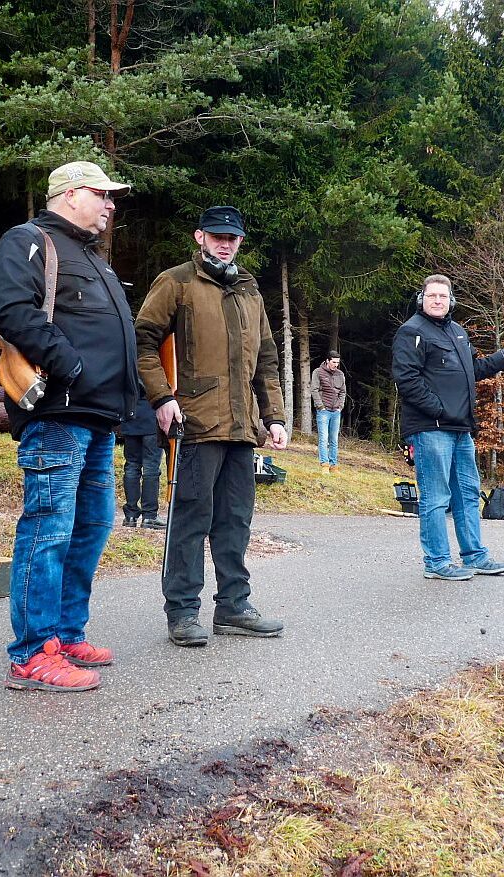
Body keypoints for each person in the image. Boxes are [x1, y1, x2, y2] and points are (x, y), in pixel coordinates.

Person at [0, 160, 139, 692]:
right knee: (48, 528)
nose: (110, 204)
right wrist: (69, 364)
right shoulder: (29, 240)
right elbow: (11, 310)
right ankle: (32, 653)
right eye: (102, 194)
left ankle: (66, 635)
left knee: (92, 526)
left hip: (97, 417)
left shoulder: (91, 256)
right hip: (57, 414)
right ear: (70, 194)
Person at [135, 205, 288, 647]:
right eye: (217, 235)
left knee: (235, 520)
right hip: (194, 423)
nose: (225, 243)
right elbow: (143, 341)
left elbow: (267, 361)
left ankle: (233, 606)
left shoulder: (250, 291)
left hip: (242, 429)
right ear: (199, 236)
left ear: (240, 241)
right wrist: (161, 398)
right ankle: (182, 611)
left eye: (232, 237)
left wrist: (274, 417)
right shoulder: (177, 282)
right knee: (190, 520)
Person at [391, 274, 504, 581]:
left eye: (443, 296)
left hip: (461, 429)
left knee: (467, 494)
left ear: (451, 301)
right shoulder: (411, 332)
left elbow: (473, 370)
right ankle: (436, 562)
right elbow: (406, 380)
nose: (437, 300)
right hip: (430, 428)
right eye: (432, 295)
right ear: (422, 299)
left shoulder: (457, 332)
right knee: (436, 497)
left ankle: (474, 556)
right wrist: (439, 409)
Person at [121, 395, 166, 529]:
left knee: (131, 466)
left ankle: (130, 515)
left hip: (131, 416)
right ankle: (149, 516)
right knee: (151, 468)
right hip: (151, 418)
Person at [311, 351, 346, 474]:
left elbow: (343, 392)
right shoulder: (318, 372)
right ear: (327, 361)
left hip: (336, 411)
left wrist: (340, 406)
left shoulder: (340, 374)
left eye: (337, 362)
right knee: (323, 438)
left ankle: (334, 466)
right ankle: (324, 465)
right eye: (333, 362)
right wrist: (320, 406)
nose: (336, 365)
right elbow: (314, 390)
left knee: (334, 440)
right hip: (323, 411)